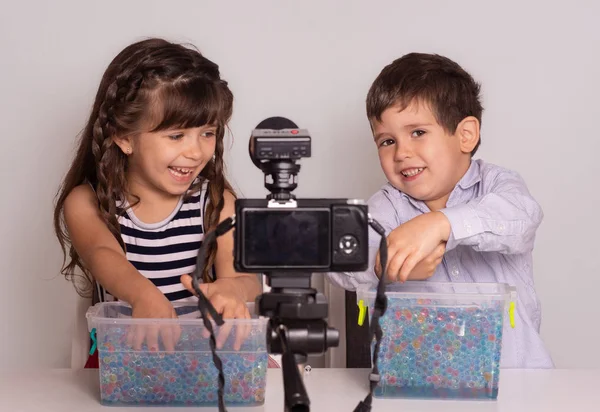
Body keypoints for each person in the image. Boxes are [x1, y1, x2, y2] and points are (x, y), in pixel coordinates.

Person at [327, 52, 553, 368]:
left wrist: (442, 223)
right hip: (420, 383)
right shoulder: (386, 207)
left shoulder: (497, 185)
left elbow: (522, 219)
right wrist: (384, 266)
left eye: (417, 132)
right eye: (387, 141)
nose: (402, 153)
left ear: (465, 135)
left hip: (516, 379)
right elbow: (340, 262)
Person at [53, 38, 262, 364]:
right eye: (176, 135)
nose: (195, 152)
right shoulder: (87, 203)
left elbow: (246, 279)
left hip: (206, 354)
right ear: (123, 136)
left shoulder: (216, 202)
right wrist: (143, 296)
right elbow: (102, 253)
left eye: (207, 133)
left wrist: (233, 290)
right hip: (125, 357)